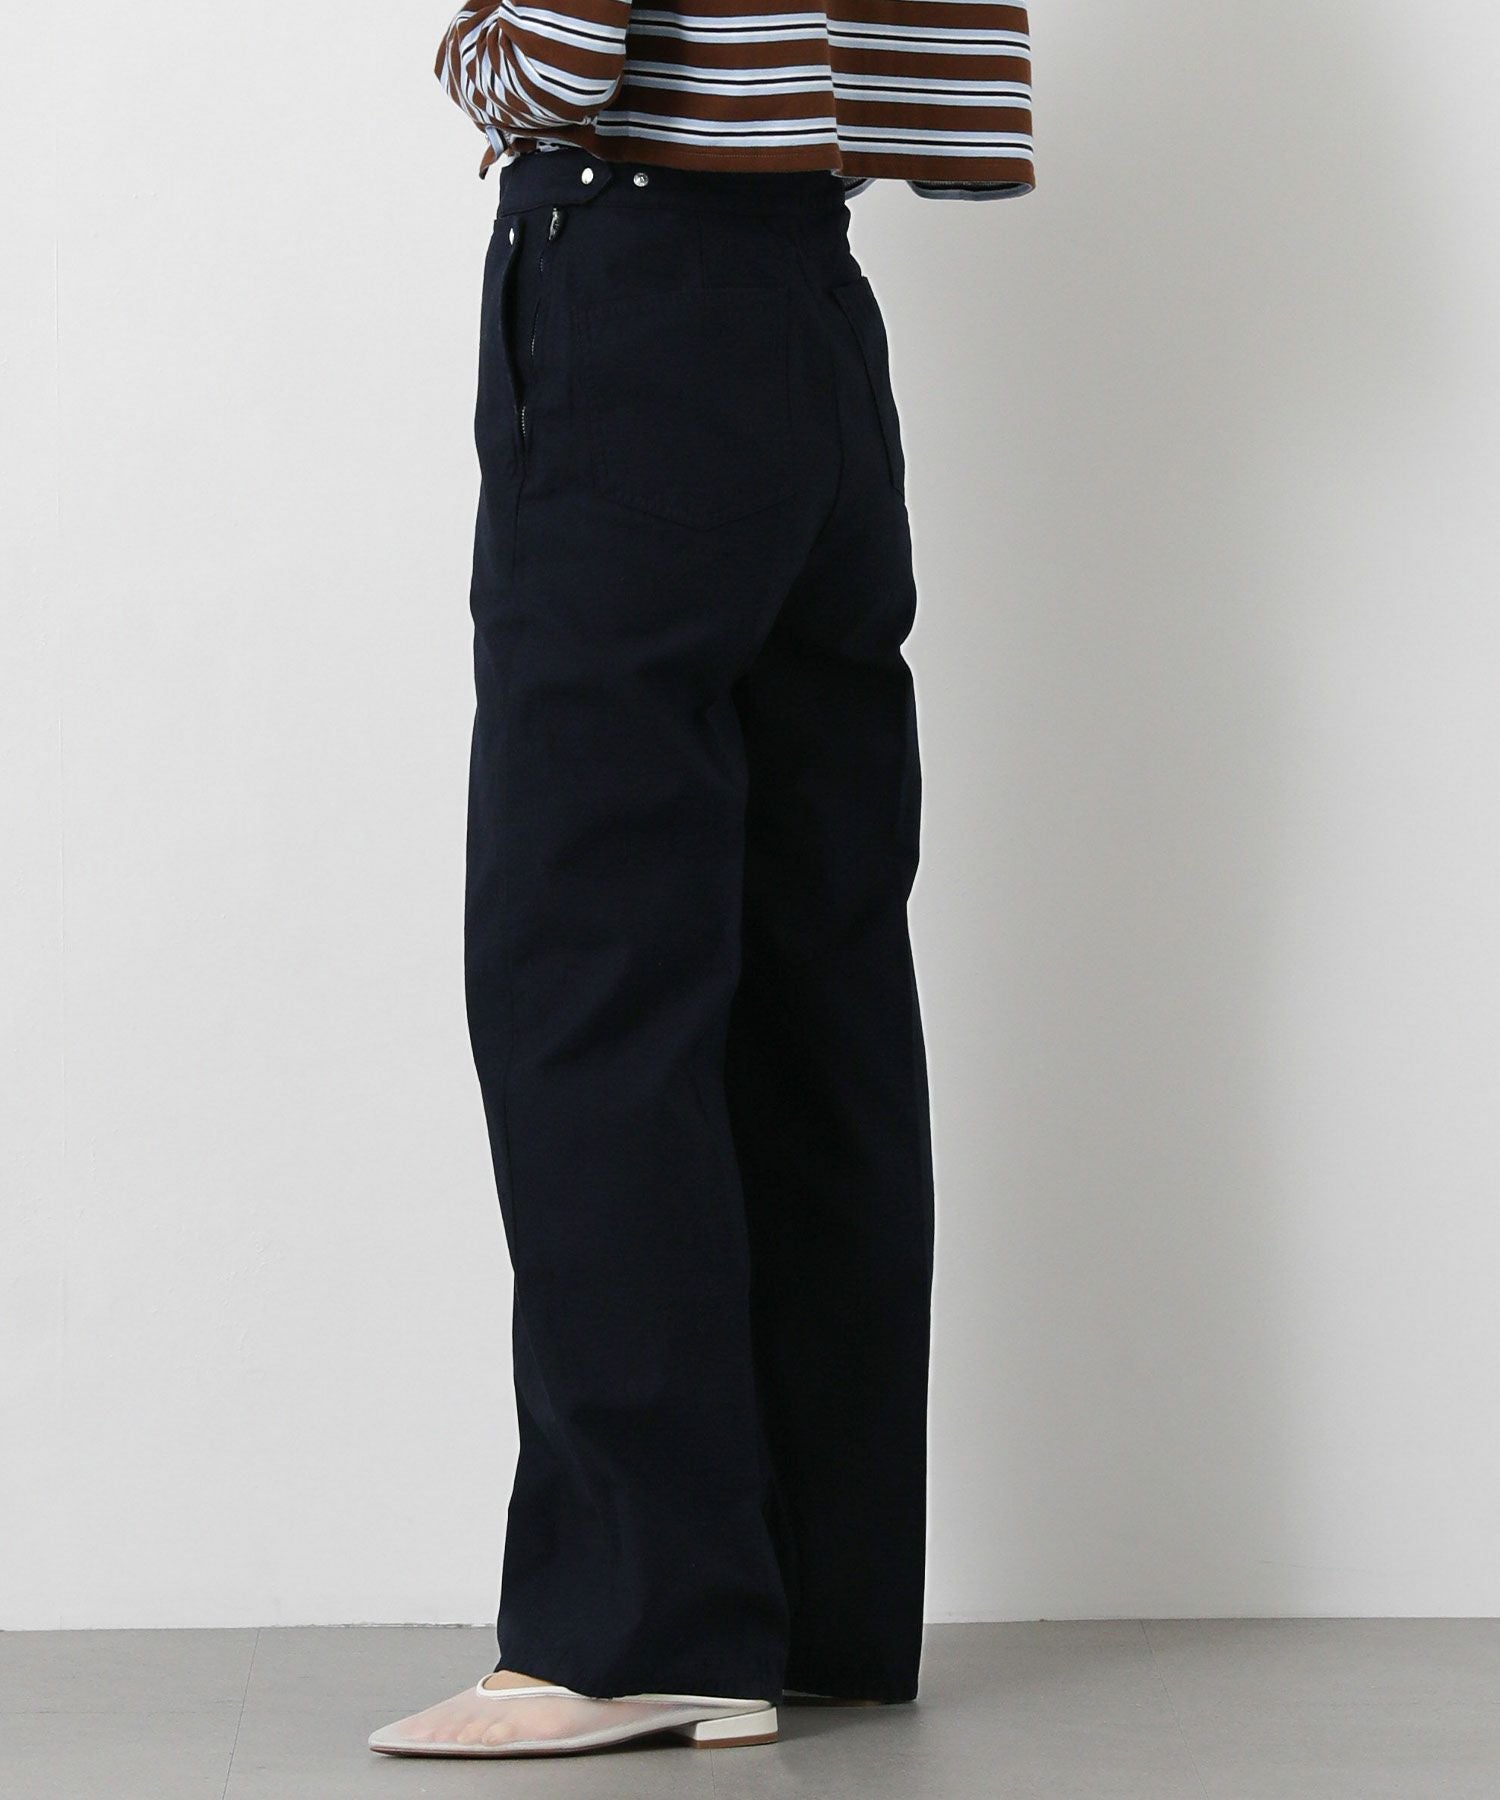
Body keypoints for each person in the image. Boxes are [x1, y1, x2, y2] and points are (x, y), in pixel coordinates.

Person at [369, 0, 1034, 1761]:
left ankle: (642, 1623)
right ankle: (805, 1603)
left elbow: (555, 54)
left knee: (586, 965)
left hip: (637, 284)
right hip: (808, 304)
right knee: (811, 973)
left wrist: (479, 61)